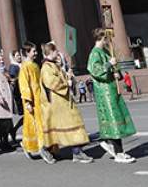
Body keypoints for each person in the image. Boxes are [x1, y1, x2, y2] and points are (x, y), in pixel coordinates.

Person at [87, 29, 136, 163]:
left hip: (112, 90)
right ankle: (118, 152)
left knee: (117, 119)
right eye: (106, 38)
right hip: (105, 92)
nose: (108, 41)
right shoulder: (95, 53)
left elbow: (114, 70)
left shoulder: (106, 52)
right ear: (101, 38)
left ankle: (113, 146)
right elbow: (94, 70)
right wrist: (109, 64)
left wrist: (116, 73)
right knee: (114, 120)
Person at [39, 42, 92, 164]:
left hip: (64, 102)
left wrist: (68, 76)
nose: (57, 53)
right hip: (57, 104)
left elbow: (63, 79)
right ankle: (47, 149)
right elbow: (51, 83)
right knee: (62, 129)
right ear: (50, 52)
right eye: (55, 51)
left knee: (73, 125)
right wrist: (65, 84)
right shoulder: (46, 67)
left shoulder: (55, 66)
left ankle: (76, 151)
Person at [17, 42, 47, 161]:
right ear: (27, 53)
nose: (36, 53)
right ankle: (40, 147)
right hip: (31, 100)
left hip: (40, 98)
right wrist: (28, 101)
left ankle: (30, 144)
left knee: (40, 123)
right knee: (34, 124)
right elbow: (24, 85)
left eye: (35, 51)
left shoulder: (35, 65)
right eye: (33, 51)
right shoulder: (25, 67)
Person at [7, 50, 25, 143]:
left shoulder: (22, 64)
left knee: (28, 115)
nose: (19, 57)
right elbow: (12, 80)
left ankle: (15, 130)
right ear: (14, 57)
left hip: (25, 91)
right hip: (19, 94)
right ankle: (15, 130)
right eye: (17, 55)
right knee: (27, 115)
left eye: (19, 55)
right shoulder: (13, 67)